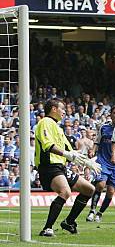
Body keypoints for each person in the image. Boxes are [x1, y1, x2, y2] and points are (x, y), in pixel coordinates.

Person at [35, 99, 99, 237]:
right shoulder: (45, 122)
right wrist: (67, 154)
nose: (64, 111)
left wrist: (87, 162)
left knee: (89, 189)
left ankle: (69, 222)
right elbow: (48, 146)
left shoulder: (57, 127)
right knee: (65, 191)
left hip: (60, 166)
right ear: (53, 109)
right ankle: (47, 228)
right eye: (62, 108)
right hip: (49, 166)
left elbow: (70, 151)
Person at [86, 104, 115, 222]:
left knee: (111, 191)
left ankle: (100, 213)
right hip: (103, 161)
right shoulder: (104, 128)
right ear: (111, 115)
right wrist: (93, 150)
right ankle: (92, 210)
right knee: (101, 184)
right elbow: (97, 142)